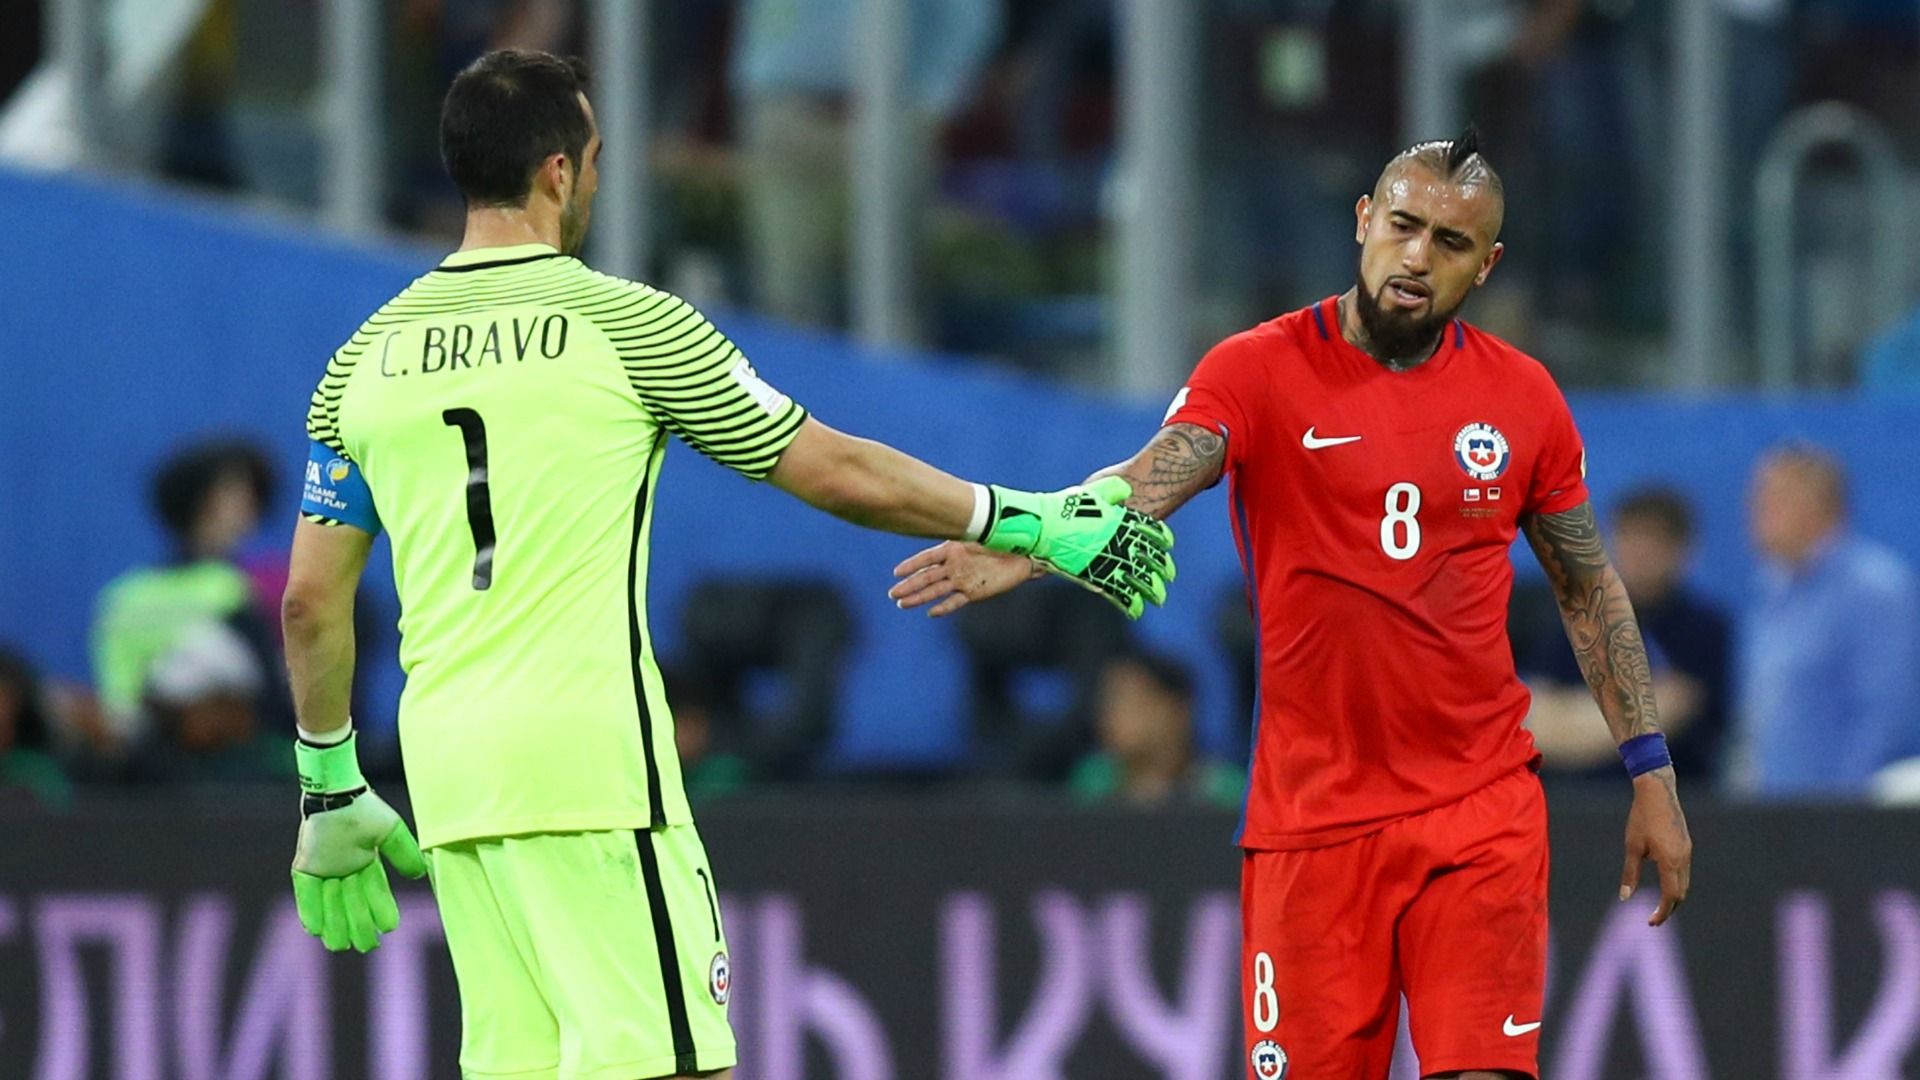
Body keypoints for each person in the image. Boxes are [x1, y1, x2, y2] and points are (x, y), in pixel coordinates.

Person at [279, 49, 1173, 1080]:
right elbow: (834, 469)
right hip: (589, 766)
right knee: (677, 1065)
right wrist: (1025, 519)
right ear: (561, 173)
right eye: (598, 157)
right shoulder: (625, 325)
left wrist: (328, 785)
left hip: (448, 776)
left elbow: (310, 601)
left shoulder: (363, 361)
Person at [892, 129, 1692, 1079]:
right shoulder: (1259, 369)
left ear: (1487, 266)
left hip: (1478, 810)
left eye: (1450, 243)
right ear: (1364, 221)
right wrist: (1029, 541)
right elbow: (1151, 478)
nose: (1417, 257)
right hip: (1312, 826)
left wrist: (1652, 772)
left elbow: (1586, 585)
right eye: (1403, 226)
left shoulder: (1523, 400)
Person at [1736, 443, 1920, 797]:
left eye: (1772, 498)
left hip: (1844, 823)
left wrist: (1841, 811)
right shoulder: (1771, 592)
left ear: (1820, 507)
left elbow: (1886, 715)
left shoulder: (1875, 590)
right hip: (1775, 818)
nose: (1754, 510)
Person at [91, 438, 290, 764]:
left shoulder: (121, 596)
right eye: (231, 492)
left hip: (165, 761)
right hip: (190, 765)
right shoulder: (233, 591)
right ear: (199, 498)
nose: (245, 504)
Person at [1521, 488, 1732, 786]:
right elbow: (1534, 720)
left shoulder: (1702, 629)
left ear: (1682, 550)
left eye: (1652, 540)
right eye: (1628, 537)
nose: (1639, 553)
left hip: (1675, 808)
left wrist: (1571, 718)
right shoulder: (1577, 619)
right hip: (1573, 805)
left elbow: (1666, 715)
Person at [1067, 649, 1242, 809]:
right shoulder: (1092, 784)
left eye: (1131, 702)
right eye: (1108, 702)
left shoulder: (1226, 792)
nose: (1112, 716)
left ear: (1178, 710)